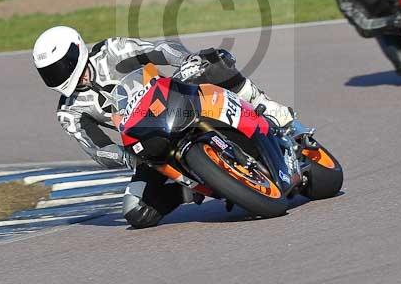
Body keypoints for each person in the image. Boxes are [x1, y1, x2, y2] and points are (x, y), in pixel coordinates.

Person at [31, 27, 294, 228]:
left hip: (174, 102)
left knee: (213, 61)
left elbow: (159, 50)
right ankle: (192, 187)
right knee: (135, 210)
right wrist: (127, 157)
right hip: (149, 142)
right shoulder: (69, 110)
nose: (60, 75)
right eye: (51, 73)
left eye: (61, 66)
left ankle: (264, 105)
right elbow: (96, 148)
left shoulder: (110, 52)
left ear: (78, 50)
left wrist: (186, 60)